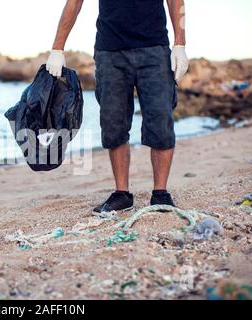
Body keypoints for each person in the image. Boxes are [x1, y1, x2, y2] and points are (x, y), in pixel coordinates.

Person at [46, 0, 189, 212]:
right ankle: (122, 193)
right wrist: (57, 48)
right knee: (113, 124)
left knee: (161, 121)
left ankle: (160, 193)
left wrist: (180, 44)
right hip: (109, 51)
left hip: (155, 49)